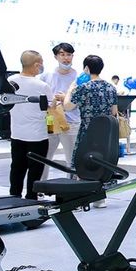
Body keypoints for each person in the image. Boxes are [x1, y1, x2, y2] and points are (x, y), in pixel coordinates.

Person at [8, 50, 51, 200]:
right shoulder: (42, 85)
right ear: (37, 65)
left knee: (17, 167)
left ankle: (14, 197)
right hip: (37, 135)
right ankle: (31, 199)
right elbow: (50, 107)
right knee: (35, 170)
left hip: (17, 133)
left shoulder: (10, 81)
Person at [64, 54, 118, 168]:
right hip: (106, 132)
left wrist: (70, 90)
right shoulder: (111, 87)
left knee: (85, 164)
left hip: (87, 131)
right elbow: (114, 111)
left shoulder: (83, 87)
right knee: (103, 164)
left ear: (86, 68)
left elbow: (68, 107)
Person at [40, 42, 80, 179]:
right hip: (51, 119)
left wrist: (66, 98)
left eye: (69, 54)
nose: (66, 58)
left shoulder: (78, 77)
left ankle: (73, 186)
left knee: (72, 159)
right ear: (56, 57)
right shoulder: (46, 76)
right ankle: (41, 186)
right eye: (62, 54)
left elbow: (83, 99)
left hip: (72, 122)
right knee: (45, 156)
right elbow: (41, 98)